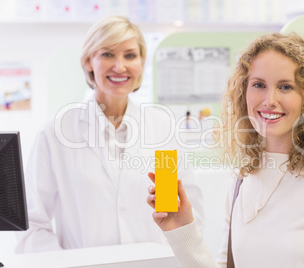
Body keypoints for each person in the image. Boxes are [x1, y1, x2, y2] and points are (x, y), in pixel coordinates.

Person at [147, 32, 304, 267]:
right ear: (243, 93)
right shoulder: (242, 181)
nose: (270, 99)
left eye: (285, 87)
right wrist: (182, 229)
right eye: (259, 85)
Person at [16, 15, 204, 253]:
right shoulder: (57, 133)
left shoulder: (160, 130)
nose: (119, 66)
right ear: (88, 62)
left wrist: (164, 258)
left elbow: (177, 211)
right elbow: (32, 224)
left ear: (141, 62)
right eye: (107, 54)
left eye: (130, 55)